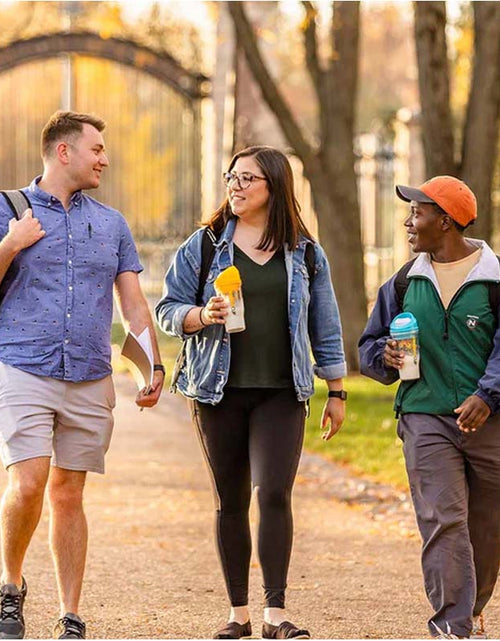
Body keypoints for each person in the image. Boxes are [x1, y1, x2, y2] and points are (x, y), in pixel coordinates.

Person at [155, 146, 347, 639]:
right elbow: (168, 308)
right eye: (231, 177)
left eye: (247, 179)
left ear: (273, 187)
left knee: (276, 492)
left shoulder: (305, 251)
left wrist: (337, 390)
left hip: (283, 391)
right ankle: (238, 614)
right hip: (217, 392)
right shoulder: (204, 245)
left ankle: (275, 614)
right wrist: (199, 316)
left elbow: (324, 323)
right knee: (231, 498)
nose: (235, 186)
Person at [0, 111, 164, 639]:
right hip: (22, 364)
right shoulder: (7, 210)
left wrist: (151, 364)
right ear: (63, 152)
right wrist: (10, 244)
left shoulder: (112, 224)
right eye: (96, 149)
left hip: (90, 374)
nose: (105, 159)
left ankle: (70, 613)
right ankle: (9, 587)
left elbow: (134, 305)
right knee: (28, 483)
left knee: (69, 492)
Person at [359, 175, 500, 639]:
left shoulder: (494, 280)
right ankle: (453, 625)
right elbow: (369, 346)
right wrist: (385, 356)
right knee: (444, 518)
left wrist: (487, 394)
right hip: (424, 415)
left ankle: (473, 606)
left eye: (417, 213)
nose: (408, 222)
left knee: (487, 522)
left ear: (445, 220)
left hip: (489, 421)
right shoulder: (403, 282)